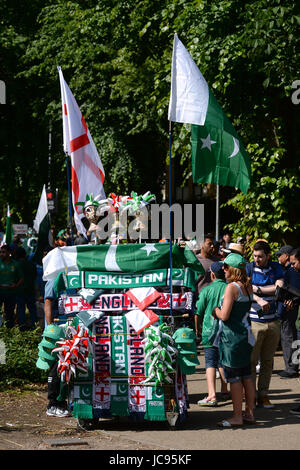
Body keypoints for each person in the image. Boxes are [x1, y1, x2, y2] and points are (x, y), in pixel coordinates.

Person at [213, 253, 255, 427]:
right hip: (246, 337)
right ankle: (249, 413)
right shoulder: (248, 286)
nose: (223, 270)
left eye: (225, 267)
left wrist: (215, 310)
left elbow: (224, 315)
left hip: (232, 339)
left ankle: (237, 416)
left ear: (232, 269)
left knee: (235, 378)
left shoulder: (231, 288)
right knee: (247, 376)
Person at [246, 240, 284, 409]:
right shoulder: (249, 268)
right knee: (252, 361)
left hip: (273, 321)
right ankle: (251, 396)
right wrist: (259, 297)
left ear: (268, 255)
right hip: (254, 322)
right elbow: (246, 288)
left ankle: (263, 396)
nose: (257, 259)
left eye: (260, 256)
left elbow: (279, 287)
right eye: (255, 256)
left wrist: (259, 289)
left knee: (268, 361)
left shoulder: (276, 267)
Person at [195, 261, 228, 406]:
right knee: (223, 361)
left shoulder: (206, 290)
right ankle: (225, 390)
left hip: (209, 331)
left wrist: (197, 329)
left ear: (212, 275)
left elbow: (198, 312)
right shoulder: (230, 288)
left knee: (210, 362)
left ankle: (212, 395)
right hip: (227, 331)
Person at [277, 247, 300, 379]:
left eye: (294, 262)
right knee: (290, 340)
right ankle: (291, 368)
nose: (292, 265)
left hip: (295, 314)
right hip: (290, 313)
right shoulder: (290, 272)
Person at [0, 244, 24, 328]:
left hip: (11, 293)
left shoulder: (15, 264)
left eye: (3, 252)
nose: (1, 254)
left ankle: (9, 330)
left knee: (9, 312)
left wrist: (16, 285)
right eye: (0, 252)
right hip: (0, 292)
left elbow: (21, 278)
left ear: (9, 253)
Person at [14, 246, 38, 331]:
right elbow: (35, 276)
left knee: (21, 309)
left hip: (20, 290)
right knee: (32, 309)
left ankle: (22, 327)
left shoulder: (17, 265)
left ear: (16, 255)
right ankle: (34, 325)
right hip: (30, 290)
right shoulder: (31, 264)